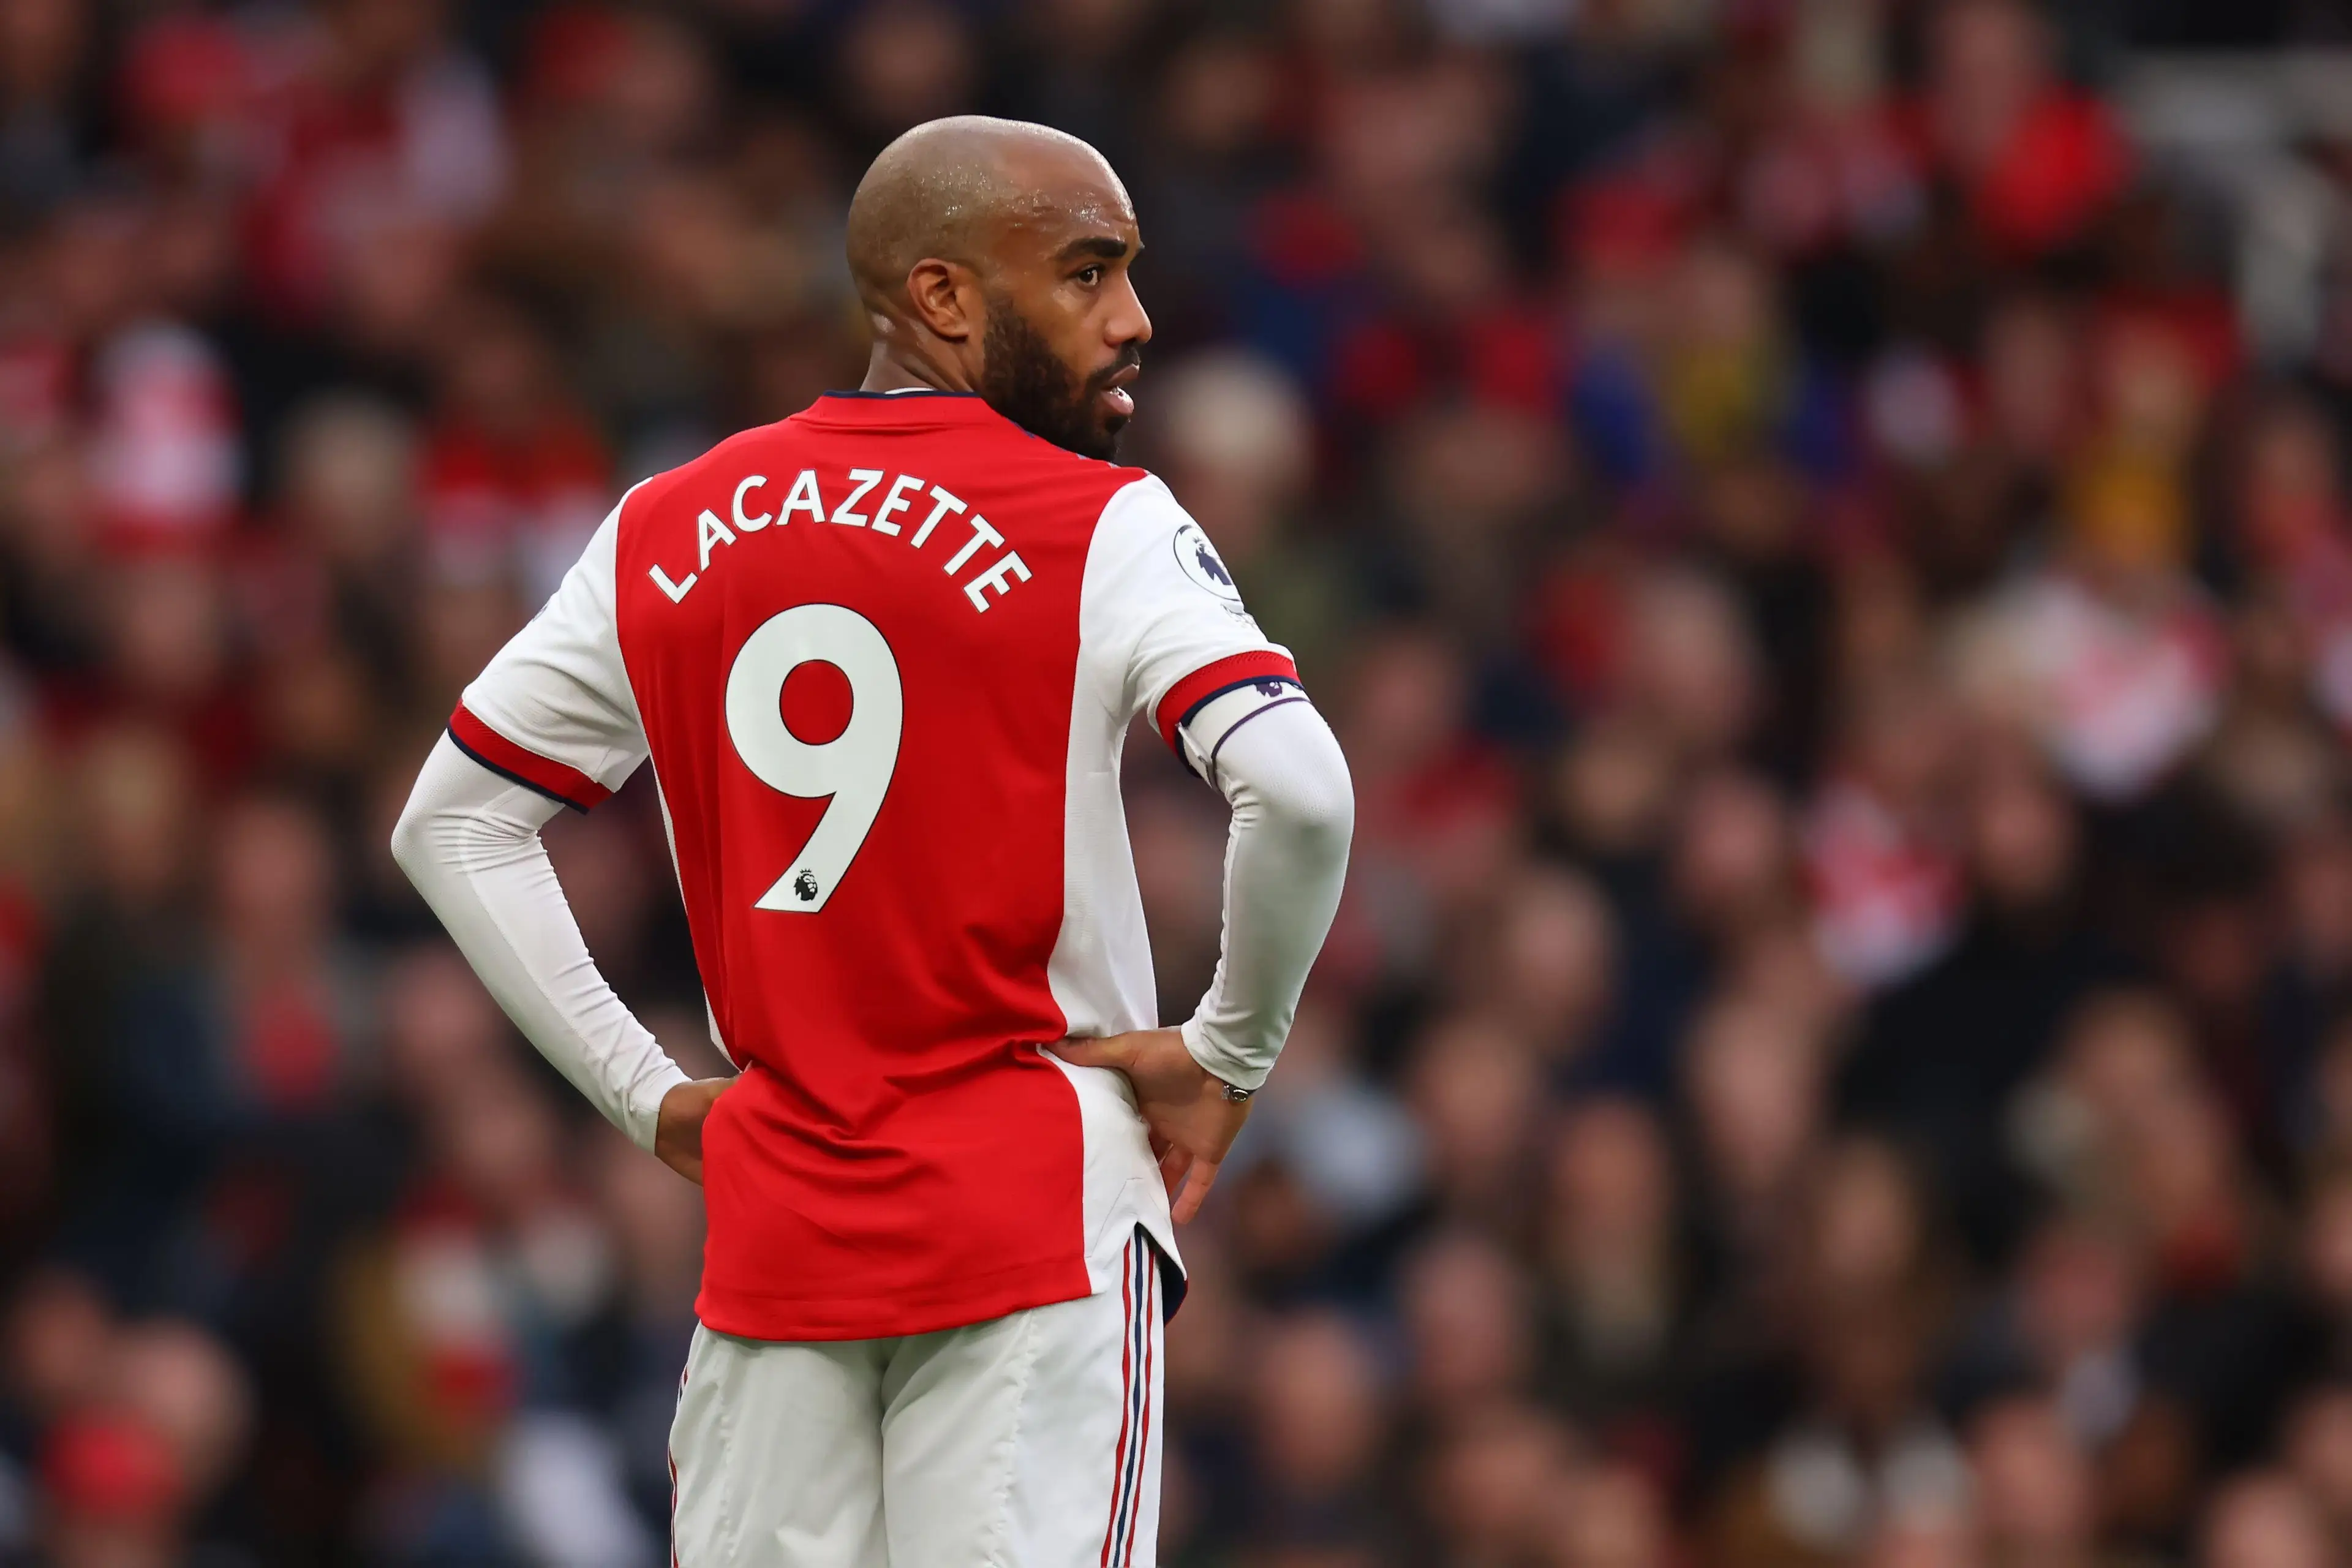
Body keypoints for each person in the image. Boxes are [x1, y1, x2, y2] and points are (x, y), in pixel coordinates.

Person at [389, 116, 1354, 1567]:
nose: (1134, 319)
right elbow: (1306, 790)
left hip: (780, 1224)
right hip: (1035, 1211)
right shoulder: (1096, 520)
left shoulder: (668, 522)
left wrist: (647, 1096)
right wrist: (1228, 1055)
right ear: (945, 298)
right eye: (1088, 273)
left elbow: (450, 821)